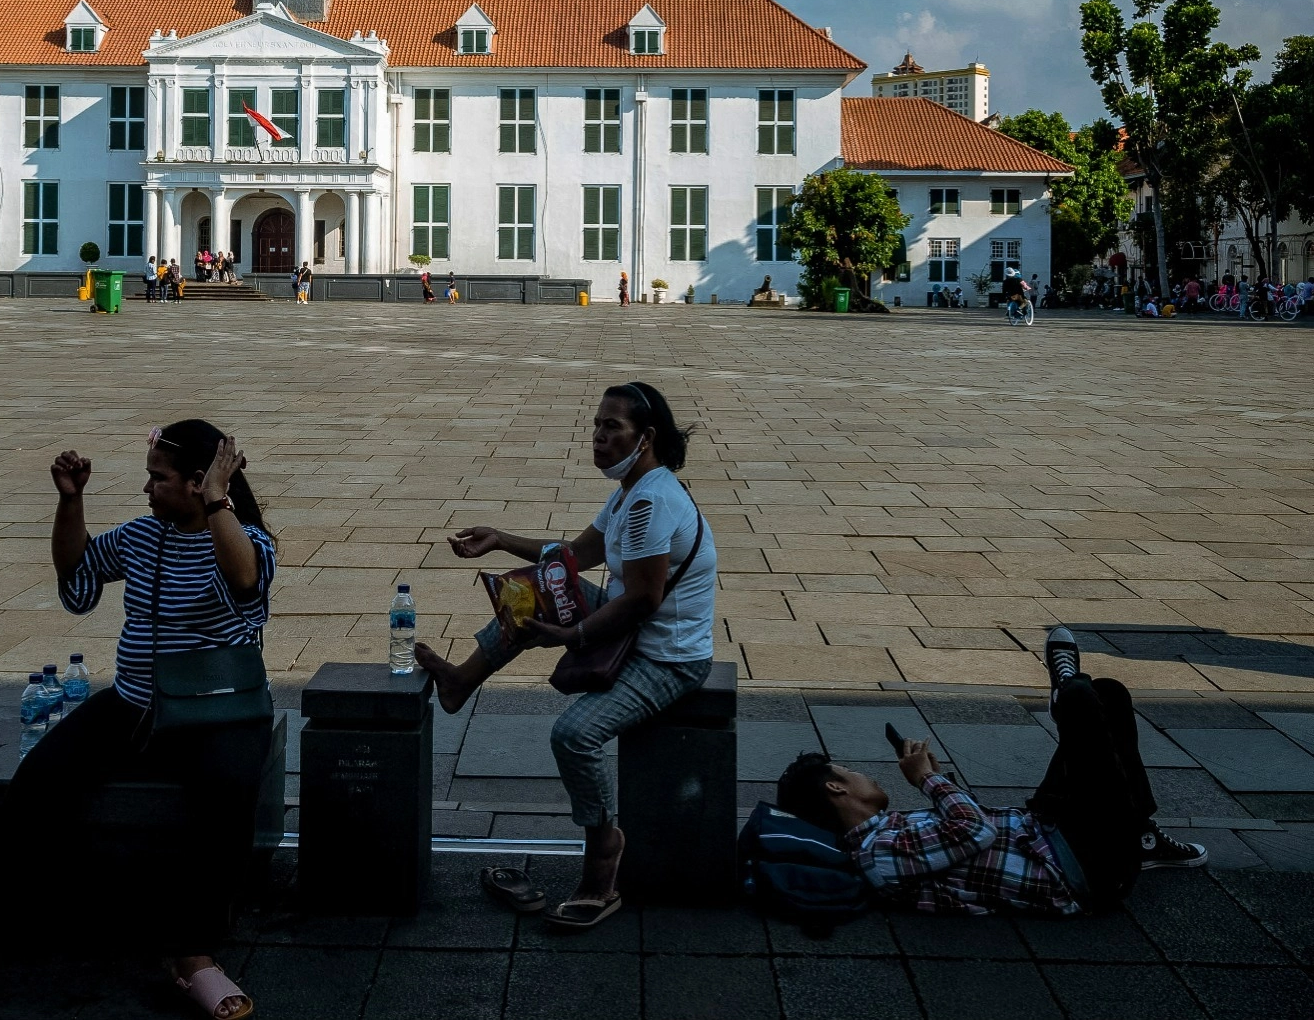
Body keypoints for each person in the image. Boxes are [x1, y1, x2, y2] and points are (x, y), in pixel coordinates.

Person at [0, 421, 275, 1019]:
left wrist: (220, 501)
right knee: (39, 779)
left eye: (158, 478)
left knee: (226, 793)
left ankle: (193, 956)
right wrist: (71, 502)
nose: (147, 489)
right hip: (133, 701)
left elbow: (244, 580)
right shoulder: (143, 535)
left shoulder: (247, 539)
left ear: (198, 483)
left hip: (220, 710)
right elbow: (79, 573)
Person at [416, 383, 715, 929]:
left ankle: (604, 848)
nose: (598, 437)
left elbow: (643, 599)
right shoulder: (631, 490)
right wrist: (501, 539)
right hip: (636, 629)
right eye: (596, 425)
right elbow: (576, 555)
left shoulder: (650, 502)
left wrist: (572, 635)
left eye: (612, 427)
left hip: (667, 654)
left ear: (646, 437)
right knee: (536, 590)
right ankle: (460, 681)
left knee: (574, 735)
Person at [776, 628, 1205, 919]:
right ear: (835, 787)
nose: (864, 775)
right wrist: (927, 781)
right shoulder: (877, 856)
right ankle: (1064, 696)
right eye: (849, 771)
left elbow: (970, 829)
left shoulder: (890, 831)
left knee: (1107, 694)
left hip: (1049, 827)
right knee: (1080, 700)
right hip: (1084, 865)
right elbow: (976, 830)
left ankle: (1141, 836)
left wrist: (941, 782)